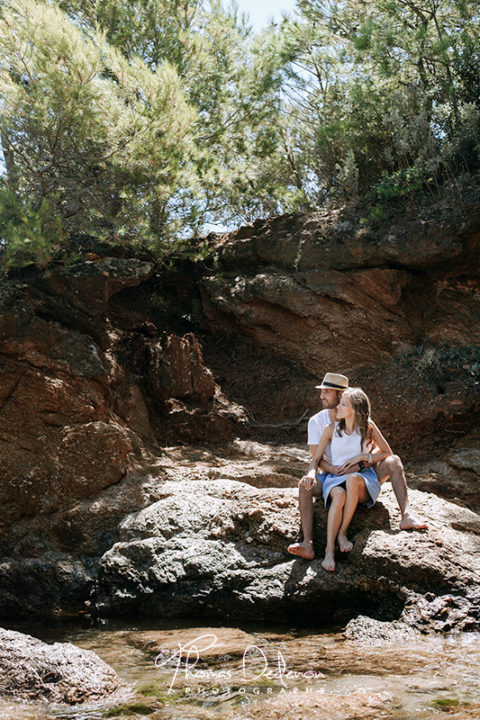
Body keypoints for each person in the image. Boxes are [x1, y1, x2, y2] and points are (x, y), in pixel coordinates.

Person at [287, 372, 427, 564]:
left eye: (327, 392)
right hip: (331, 475)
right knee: (305, 485)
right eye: (322, 392)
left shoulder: (363, 423)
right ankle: (307, 543)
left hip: (361, 474)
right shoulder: (318, 423)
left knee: (393, 461)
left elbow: (384, 452)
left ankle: (406, 516)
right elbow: (316, 459)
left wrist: (362, 461)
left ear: (342, 395)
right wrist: (325, 472)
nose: (322, 396)